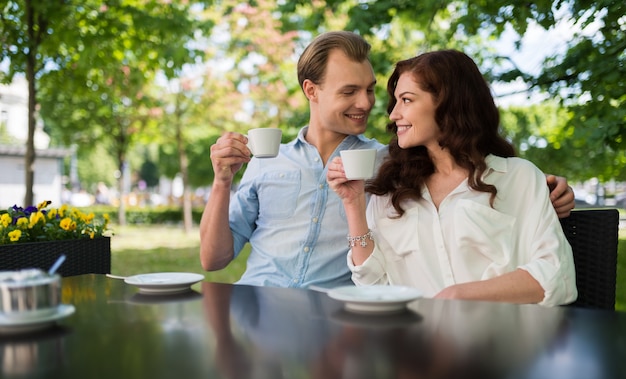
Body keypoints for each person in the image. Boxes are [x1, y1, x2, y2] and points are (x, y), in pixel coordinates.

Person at [199, 31, 575, 290]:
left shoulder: (389, 164)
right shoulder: (267, 159)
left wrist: (545, 190)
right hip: (257, 302)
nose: (367, 104)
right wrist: (221, 182)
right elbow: (213, 260)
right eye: (349, 91)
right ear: (311, 91)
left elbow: (463, 165)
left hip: (335, 318)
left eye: (370, 90)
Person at [326, 50, 577, 306]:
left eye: (407, 100)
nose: (394, 114)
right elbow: (372, 285)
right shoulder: (392, 189)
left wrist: (458, 296)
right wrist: (354, 204)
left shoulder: (517, 178)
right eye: (397, 101)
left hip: (499, 338)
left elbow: (556, 275)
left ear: (448, 103)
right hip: (415, 339)